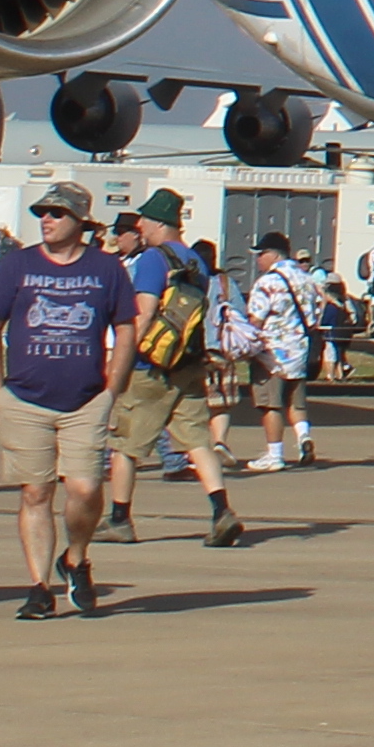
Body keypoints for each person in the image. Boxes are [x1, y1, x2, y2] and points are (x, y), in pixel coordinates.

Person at [0, 181, 140, 619]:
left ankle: (76, 558)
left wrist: (113, 388)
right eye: (43, 213)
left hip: (85, 401)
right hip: (25, 399)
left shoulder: (107, 269)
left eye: (57, 213)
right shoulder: (19, 265)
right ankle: (38, 587)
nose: (47, 220)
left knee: (85, 490)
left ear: (81, 224)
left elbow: (126, 328)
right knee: (36, 492)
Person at [99, 193, 247, 549]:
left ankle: (119, 519)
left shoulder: (153, 259)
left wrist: (121, 357)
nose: (140, 229)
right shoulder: (195, 260)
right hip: (187, 364)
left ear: (159, 224)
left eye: (144, 223)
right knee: (197, 440)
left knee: (125, 445)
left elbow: (145, 312)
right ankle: (221, 510)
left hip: (151, 365)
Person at [234, 231, 327, 472]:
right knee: (296, 403)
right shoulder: (307, 280)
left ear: (275, 254)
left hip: (271, 354)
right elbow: (316, 314)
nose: (258, 260)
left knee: (271, 405)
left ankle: (274, 454)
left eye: (261, 254)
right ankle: (303, 438)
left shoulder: (267, 283)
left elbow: (255, 319)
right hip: (299, 350)